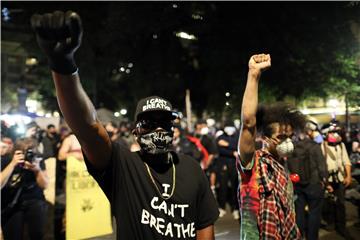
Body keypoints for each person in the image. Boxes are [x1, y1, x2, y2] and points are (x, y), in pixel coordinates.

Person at [31, 10, 219, 239]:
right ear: (136, 131)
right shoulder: (122, 165)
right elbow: (88, 127)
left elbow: (205, 231)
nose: (158, 128)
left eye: (164, 122)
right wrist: (63, 65)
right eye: (149, 123)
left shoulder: (192, 169)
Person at [238, 53, 303, 239]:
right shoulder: (253, 163)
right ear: (265, 138)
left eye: (290, 136)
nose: (287, 142)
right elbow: (248, 122)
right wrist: (253, 75)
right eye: (281, 137)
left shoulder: (282, 165)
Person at [1, 137, 49, 240]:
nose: (28, 154)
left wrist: (37, 170)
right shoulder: (6, 160)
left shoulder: (37, 159)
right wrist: (13, 164)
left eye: (31, 150)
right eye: (24, 151)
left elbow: (44, 185)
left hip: (34, 200)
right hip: (11, 202)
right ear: (16, 151)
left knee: (37, 234)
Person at [288, 121, 328, 240]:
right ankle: (312, 237)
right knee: (314, 212)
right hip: (314, 183)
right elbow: (322, 166)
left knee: (299, 212)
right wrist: (324, 180)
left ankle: (300, 236)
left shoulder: (292, 147)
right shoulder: (314, 146)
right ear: (308, 132)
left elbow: (288, 166)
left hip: (298, 184)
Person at [321, 122, 354, 239]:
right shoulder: (321, 147)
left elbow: (347, 161)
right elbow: (320, 167)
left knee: (341, 203)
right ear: (326, 134)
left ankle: (342, 226)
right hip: (327, 179)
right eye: (333, 133)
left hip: (340, 178)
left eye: (337, 133)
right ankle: (331, 222)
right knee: (328, 202)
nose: (336, 135)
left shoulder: (341, 145)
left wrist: (348, 176)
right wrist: (325, 183)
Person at [216, 121, 240, 220]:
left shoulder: (237, 136)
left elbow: (238, 147)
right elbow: (220, 149)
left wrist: (227, 145)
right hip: (223, 165)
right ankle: (221, 207)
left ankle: (235, 208)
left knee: (235, 187)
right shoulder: (220, 137)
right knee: (223, 186)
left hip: (234, 165)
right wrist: (232, 151)